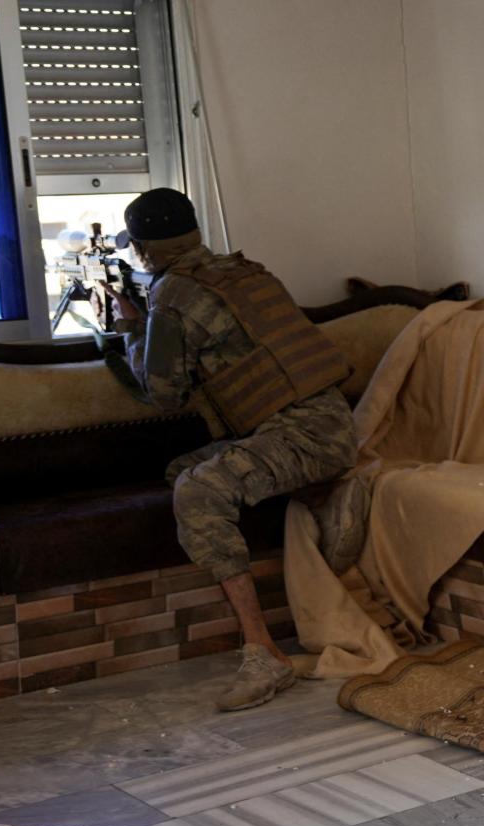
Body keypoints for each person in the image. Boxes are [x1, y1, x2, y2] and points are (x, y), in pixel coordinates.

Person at [101, 187, 360, 712]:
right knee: (184, 468)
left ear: (144, 251)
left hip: (302, 436)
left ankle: (263, 653)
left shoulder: (173, 298)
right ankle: (320, 495)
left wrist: (129, 325)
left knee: (197, 493)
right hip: (327, 423)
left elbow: (163, 393)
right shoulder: (246, 273)